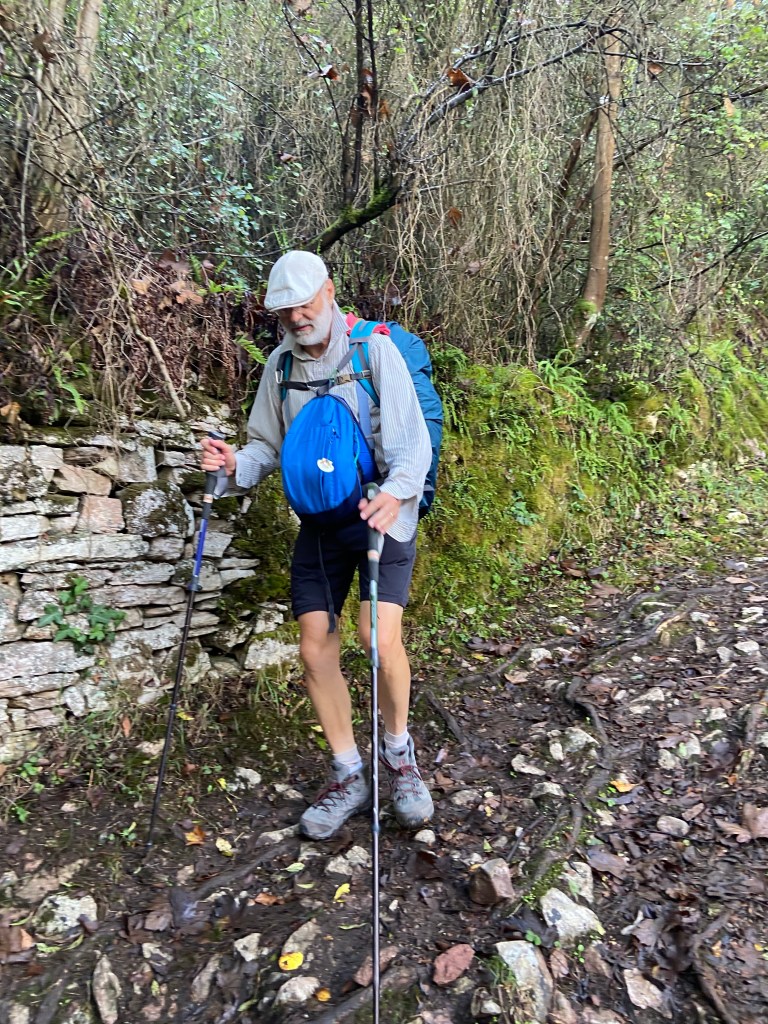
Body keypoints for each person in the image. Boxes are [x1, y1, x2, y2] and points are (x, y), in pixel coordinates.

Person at [200, 250, 434, 840]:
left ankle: (399, 756)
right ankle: (349, 773)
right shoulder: (279, 366)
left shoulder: (373, 352)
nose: (298, 317)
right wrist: (233, 465)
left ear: (328, 292)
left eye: (305, 304)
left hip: (382, 514)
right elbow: (266, 446)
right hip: (321, 524)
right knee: (313, 648)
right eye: (286, 311)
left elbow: (412, 444)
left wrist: (397, 493)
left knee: (376, 638)